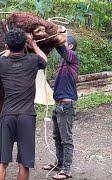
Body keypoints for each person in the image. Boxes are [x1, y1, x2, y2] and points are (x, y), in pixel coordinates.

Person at [0, 28, 48, 180]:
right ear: (25, 45)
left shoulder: (1, 63)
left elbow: (1, 59)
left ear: (6, 46)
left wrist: (8, 48)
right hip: (27, 117)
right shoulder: (33, 60)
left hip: (7, 116)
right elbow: (45, 59)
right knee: (24, 163)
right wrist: (34, 44)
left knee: (1, 163)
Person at [42, 34, 80, 180]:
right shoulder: (63, 62)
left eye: (64, 43)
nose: (62, 46)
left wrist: (56, 35)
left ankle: (66, 170)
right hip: (58, 105)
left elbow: (62, 50)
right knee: (57, 136)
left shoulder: (73, 57)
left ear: (70, 47)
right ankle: (59, 164)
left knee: (66, 139)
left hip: (66, 106)